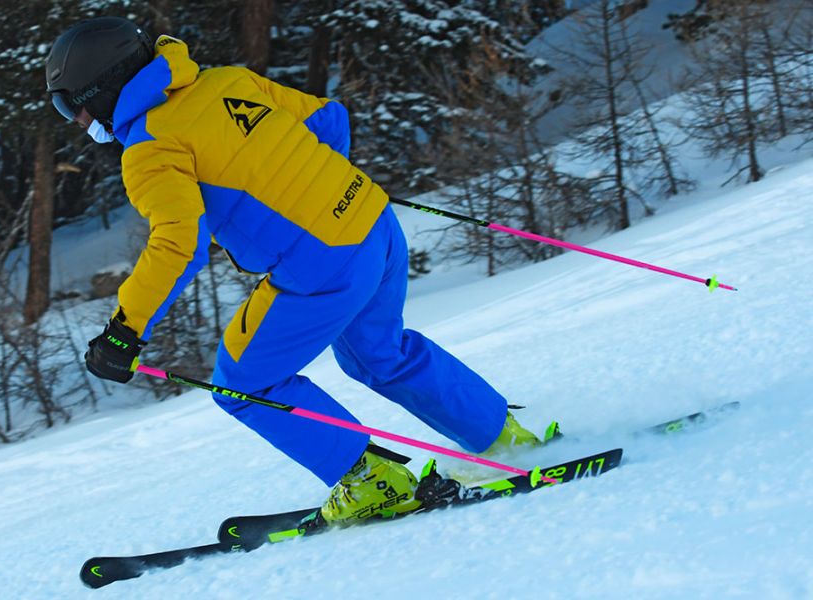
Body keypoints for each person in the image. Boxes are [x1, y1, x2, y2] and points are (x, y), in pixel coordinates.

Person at [45, 17, 545, 525]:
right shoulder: (226, 82)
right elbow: (328, 119)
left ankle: (371, 481)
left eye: (71, 105)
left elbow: (178, 244)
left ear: (104, 89)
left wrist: (125, 332)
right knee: (379, 353)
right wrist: (320, 190)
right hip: (373, 223)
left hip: (322, 266)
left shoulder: (150, 148)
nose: (76, 120)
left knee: (243, 383)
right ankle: (503, 438)